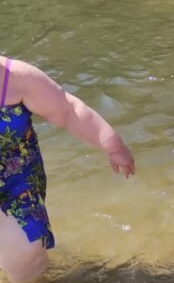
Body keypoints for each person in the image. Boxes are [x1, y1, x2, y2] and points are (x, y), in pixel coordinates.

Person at [0, 56, 135, 283]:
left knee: (27, 257)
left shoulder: (15, 78)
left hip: (16, 184)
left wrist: (112, 144)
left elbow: (67, 110)